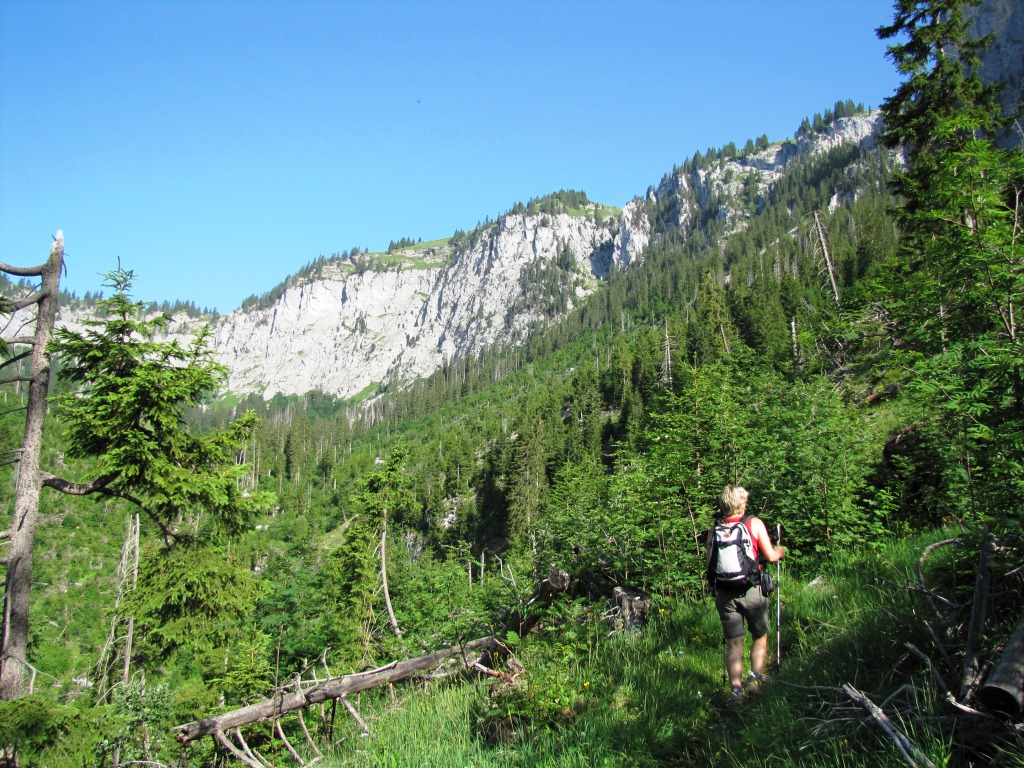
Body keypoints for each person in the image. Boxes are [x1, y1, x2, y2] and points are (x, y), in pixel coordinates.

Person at [707, 485, 785, 700]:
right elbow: (771, 556)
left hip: (725, 594)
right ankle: (755, 680)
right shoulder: (754, 523)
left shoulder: (715, 529)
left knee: (734, 643)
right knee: (759, 635)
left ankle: (735, 690)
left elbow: (709, 563)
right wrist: (780, 550)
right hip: (752, 591)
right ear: (741, 503)